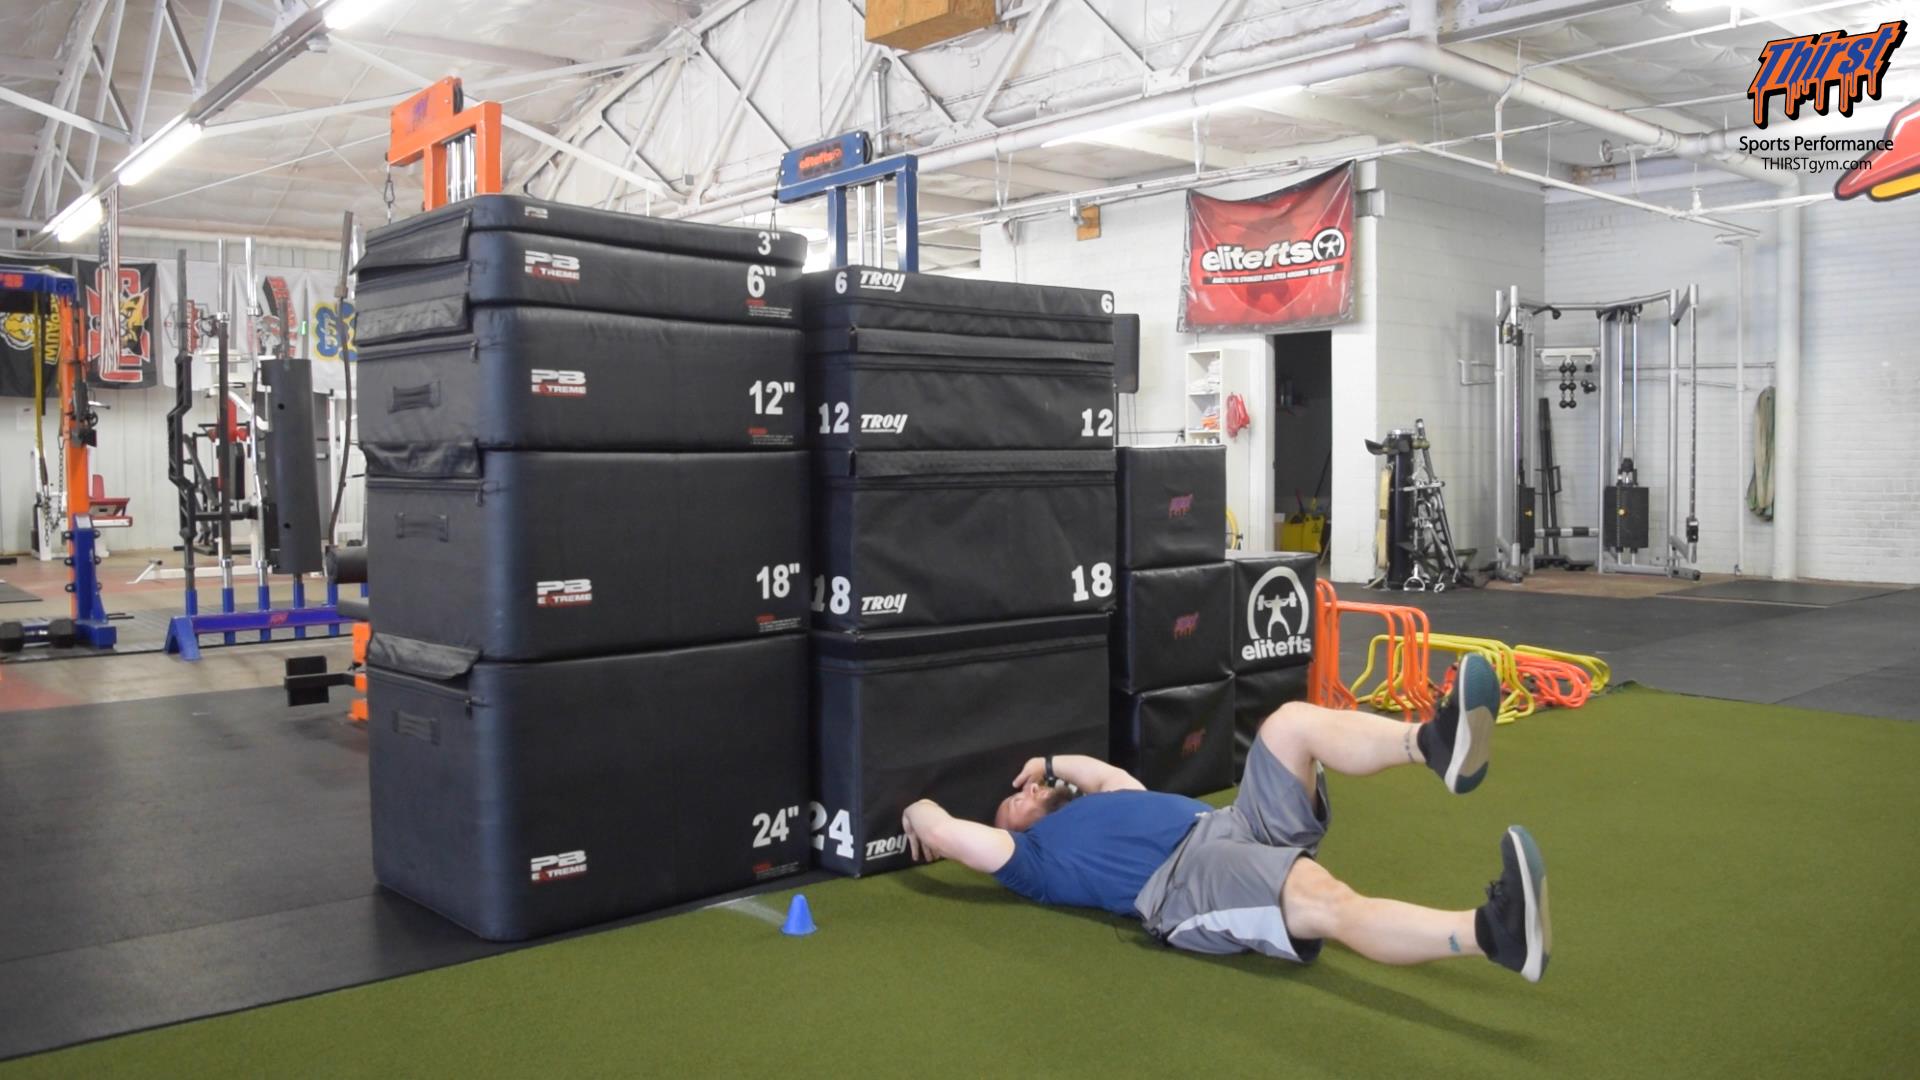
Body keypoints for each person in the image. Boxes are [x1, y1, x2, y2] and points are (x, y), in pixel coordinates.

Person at [898, 654, 1550, 982]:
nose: (1024, 793)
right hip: (1188, 884)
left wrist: (1043, 762)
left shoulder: (1110, 794)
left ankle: (1433, 744)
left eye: (1027, 788)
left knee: (1288, 724)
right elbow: (944, 829)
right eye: (1010, 802)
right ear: (1008, 830)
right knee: (1325, 900)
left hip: (1229, 823)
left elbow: (1093, 772)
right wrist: (914, 810)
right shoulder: (1033, 859)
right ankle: (1491, 934)